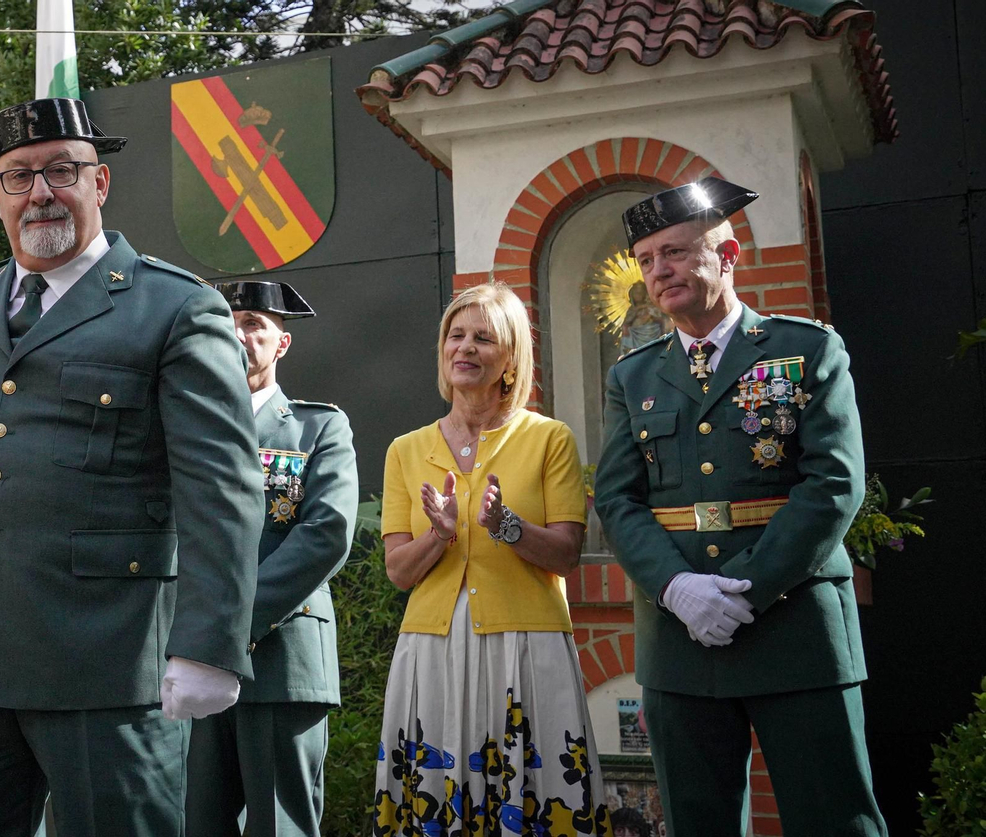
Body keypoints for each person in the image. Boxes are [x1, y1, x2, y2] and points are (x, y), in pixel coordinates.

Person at [0, 97, 264, 836]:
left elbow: (222, 491)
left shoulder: (175, 308)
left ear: (99, 183)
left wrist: (208, 645)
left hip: (106, 666)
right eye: (18, 176)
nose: (40, 191)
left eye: (61, 170)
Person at [594, 177, 885, 835]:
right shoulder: (632, 376)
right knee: (700, 822)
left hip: (796, 626)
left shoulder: (806, 350)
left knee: (834, 818)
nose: (658, 270)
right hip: (679, 639)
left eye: (673, 251)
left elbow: (834, 484)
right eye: (645, 260)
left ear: (727, 257)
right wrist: (678, 588)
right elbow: (617, 498)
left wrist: (745, 592)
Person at [372, 283, 607, 836]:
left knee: (535, 802)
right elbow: (399, 572)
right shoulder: (405, 450)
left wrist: (507, 526)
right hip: (432, 649)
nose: (465, 348)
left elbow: (568, 555)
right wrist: (439, 535)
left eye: (483, 338)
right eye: (456, 336)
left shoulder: (550, 439)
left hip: (527, 648)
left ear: (510, 358)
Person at [186, 281, 359, 837]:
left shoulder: (318, 427)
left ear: (282, 343)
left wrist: (228, 621)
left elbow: (326, 533)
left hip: (279, 658)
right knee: (195, 823)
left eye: (255, 323)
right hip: (188, 662)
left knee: (278, 827)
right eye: (228, 322)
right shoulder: (184, 430)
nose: (240, 333)